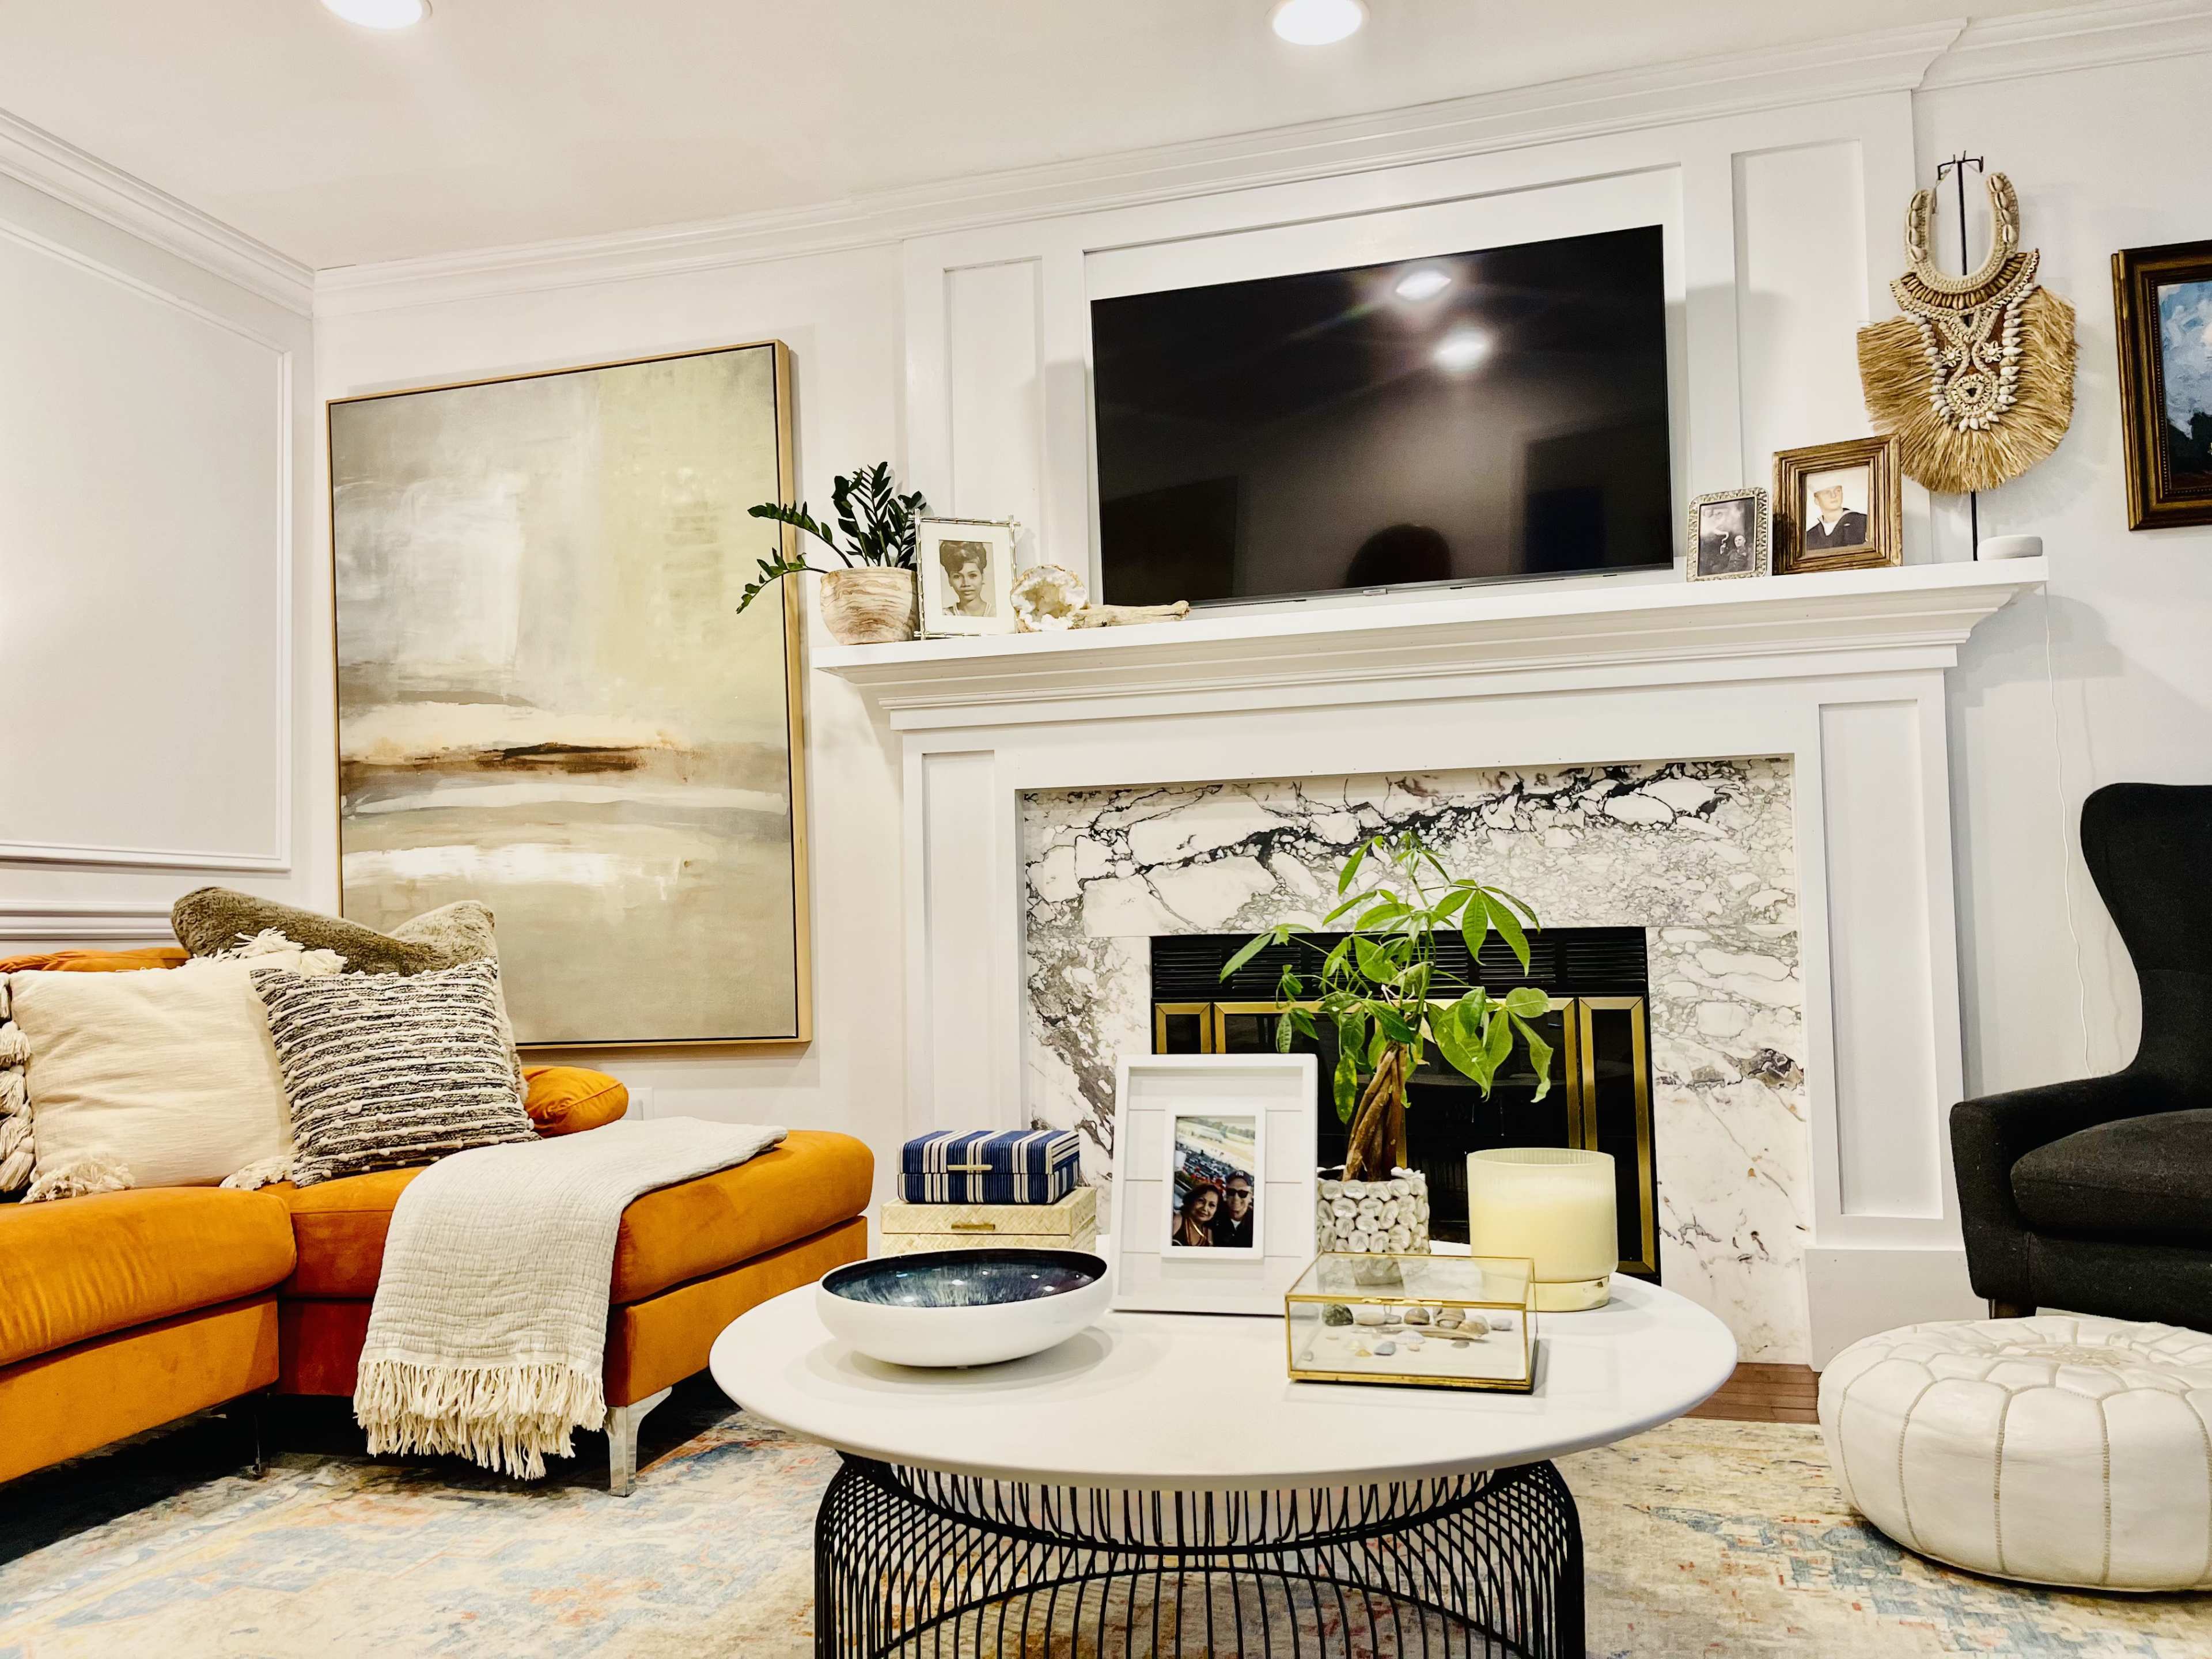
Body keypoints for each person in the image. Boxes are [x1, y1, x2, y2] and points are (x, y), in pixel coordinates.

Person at [1804, 480, 1868, 550]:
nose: (1833, 496)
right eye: (1827, 493)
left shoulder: (1864, 522)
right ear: (1817, 500)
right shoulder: (1809, 537)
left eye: (1837, 490)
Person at [939, 541, 993, 616]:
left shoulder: (997, 613)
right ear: (949, 580)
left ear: (983, 577)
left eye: (973, 575)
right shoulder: (944, 615)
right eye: (957, 576)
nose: (966, 584)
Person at [1173, 1182, 1221, 1248]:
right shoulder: (1177, 1219)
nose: (1205, 1208)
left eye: (1212, 1205)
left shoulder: (1210, 1236)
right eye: (1201, 1201)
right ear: (1192, 1200)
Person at [1212, 1174, 1255, 1248]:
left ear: (1251, 1197)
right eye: (1231, 1192)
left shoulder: (1256, 1223)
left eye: (1243, 1193)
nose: (1236, 1198)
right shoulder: (1213, 1215)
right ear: (1226, 1195)